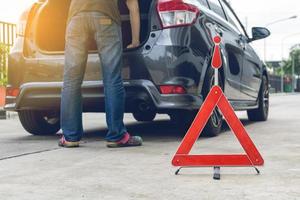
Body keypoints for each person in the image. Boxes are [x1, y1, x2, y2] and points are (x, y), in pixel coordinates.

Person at [59, 0, 142, 148]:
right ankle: (116, 136)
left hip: (77, 18)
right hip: (105, 17)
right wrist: (135, 40)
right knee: (112, 79)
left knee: (72, 80)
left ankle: (70, 137)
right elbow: (133, 6)